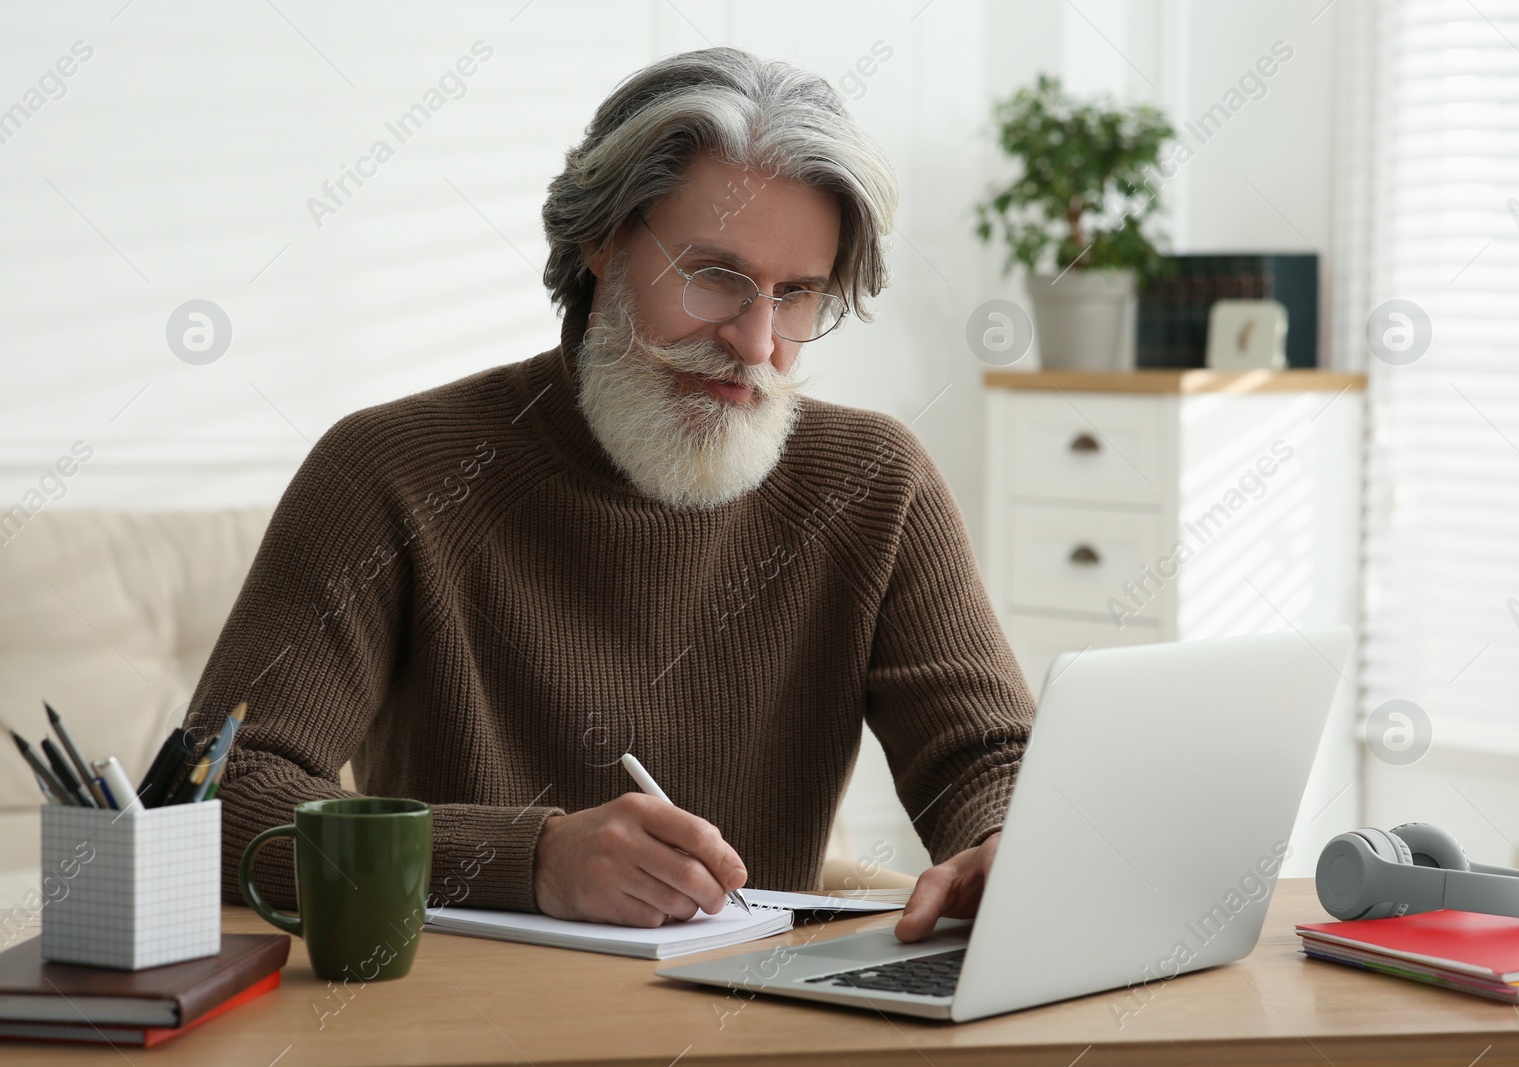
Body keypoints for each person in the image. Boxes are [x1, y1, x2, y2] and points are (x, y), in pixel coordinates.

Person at [185, 45, 1034, 944]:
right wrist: (531, 859)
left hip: (763, 1026)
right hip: (461, 1017)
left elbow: (987, 753)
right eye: (717, 276)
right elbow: (215, 792)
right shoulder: (387, 470)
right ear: (603, 241)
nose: (755, 343)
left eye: (796, 297)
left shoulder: (873, 481)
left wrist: (1006, 838)